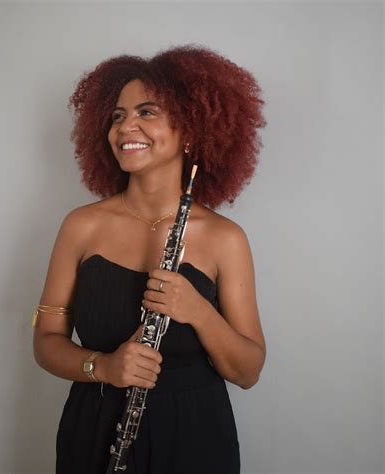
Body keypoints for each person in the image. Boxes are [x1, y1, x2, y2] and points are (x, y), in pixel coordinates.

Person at [33, 44, 267, 474]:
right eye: (117, 116)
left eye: (147, 112)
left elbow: (248, 371)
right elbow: (45, 342)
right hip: (95, 429)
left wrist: (197, 310)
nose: (126, 127)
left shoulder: (225, 238)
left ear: (191, 129)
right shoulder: (81, 227)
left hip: (194, 438)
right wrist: (103, 366)